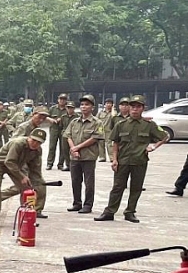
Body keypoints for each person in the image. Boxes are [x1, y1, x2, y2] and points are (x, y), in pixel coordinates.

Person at [95, 95, 169, 223]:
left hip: (139, 161)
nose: (135, 109)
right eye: (133, 106)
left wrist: (153, 147)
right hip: (122, 161)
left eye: (138, 107)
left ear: (143, 108)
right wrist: (114, 159)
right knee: (117, 187)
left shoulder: (149, 125)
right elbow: (115, 143)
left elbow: (165, 136)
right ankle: (109, 212)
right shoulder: (121, 124)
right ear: (129, 108)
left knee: (136, 188)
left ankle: (130, 212)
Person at [0, 129, 47, 228]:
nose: (35, 143)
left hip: (16, 166)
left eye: (39, 142)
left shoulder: (37, 151)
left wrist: (37, 183)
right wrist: (21, 176)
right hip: (0, 164)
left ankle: (26, 216)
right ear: (29, 137)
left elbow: (35, 169)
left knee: (26, 189)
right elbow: (9, 162)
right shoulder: (18, 143)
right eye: (34, 140)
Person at [65, 95, 103, 214]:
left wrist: (78, 147)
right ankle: (77, 203)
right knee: (75, 181)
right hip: (75, 157)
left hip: (88, 157)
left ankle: (87, 205)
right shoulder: (74, 121)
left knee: (89, 183)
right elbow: (68, 135)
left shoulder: (97, 122)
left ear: (92, 107)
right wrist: (73, 149)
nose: (84, 107)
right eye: (82, 105)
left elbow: (95, 138)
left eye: (87, 104)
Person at [47, 93, 69, 171]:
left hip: (63, 130)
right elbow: (46, 116)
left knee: (63, 148)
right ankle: (49, 163)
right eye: (61, 99)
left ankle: (60, 164)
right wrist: (50, 119)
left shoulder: (67, 109)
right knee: (52, 147)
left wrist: (61, 119)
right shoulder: (53, 108)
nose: (62, 101)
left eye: (64, 99)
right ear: (58, 100)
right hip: (54, 129)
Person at [97, 98, 118, 162]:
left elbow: (114, 116)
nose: (108, 105)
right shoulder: (100, 112)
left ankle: (111, 157)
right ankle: (102, 157)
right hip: (101, 129)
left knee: (109, 144)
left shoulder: (113, 112)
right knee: (101, 143)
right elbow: (96, 120)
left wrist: (113, 109)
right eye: (107, 103)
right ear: (104, 104)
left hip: (109, 129)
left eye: (110, 103)